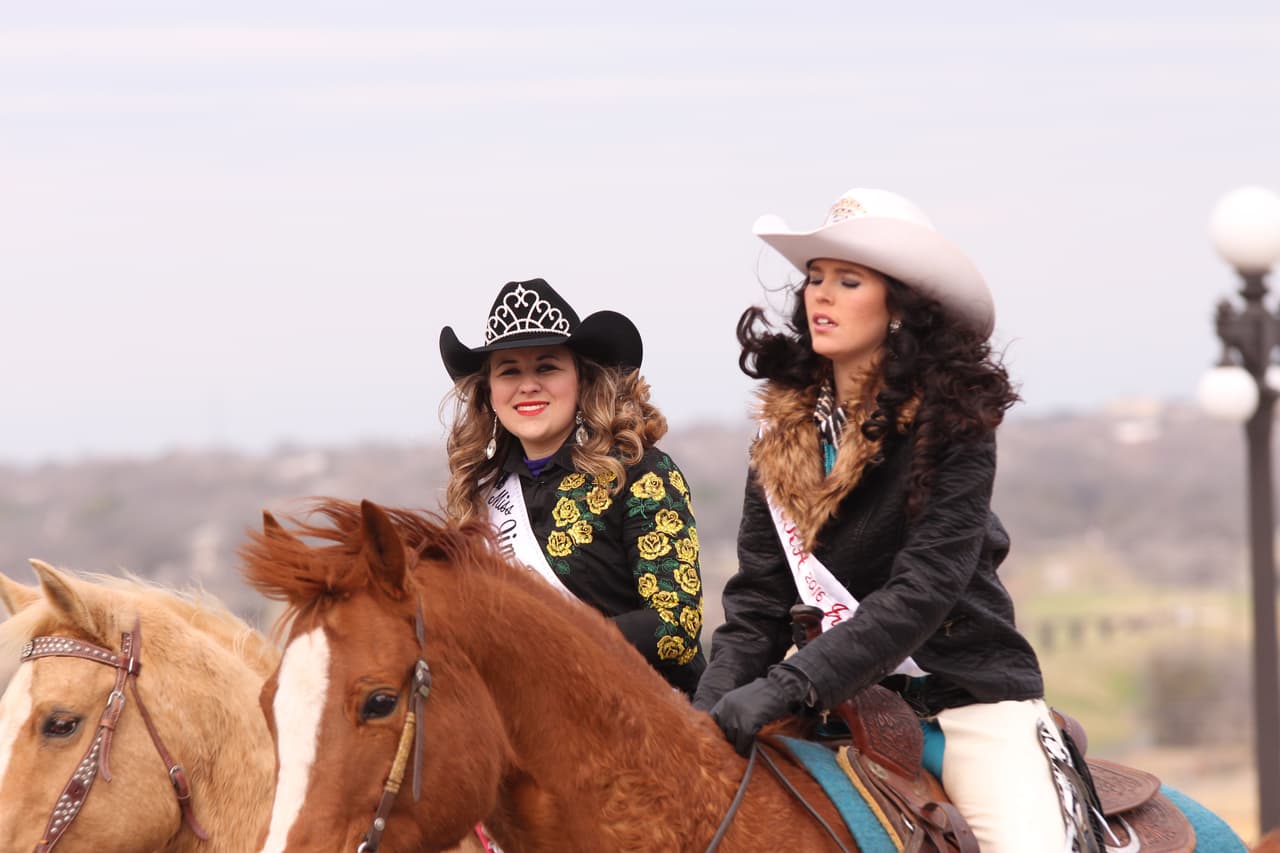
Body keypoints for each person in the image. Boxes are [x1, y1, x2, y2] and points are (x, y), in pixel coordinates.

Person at [692, 189, 1097, 852]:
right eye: (815, 278)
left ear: (902, 309)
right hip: (832, 704)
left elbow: (925, 587)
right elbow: (758, 603)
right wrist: (706, 712)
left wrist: (787, 682)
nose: (819, 295)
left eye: (848, 281)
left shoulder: (954, 424)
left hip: (965, 702)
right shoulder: (779, 434)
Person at [439, 278, 706, 696]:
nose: (528, 385)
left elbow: (676, 626)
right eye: (509, 371)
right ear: (490, 393)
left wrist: (546, 644)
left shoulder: (641, 474)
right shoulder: (477, 496)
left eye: (547, 367)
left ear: (581, 380)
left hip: (648, 717)